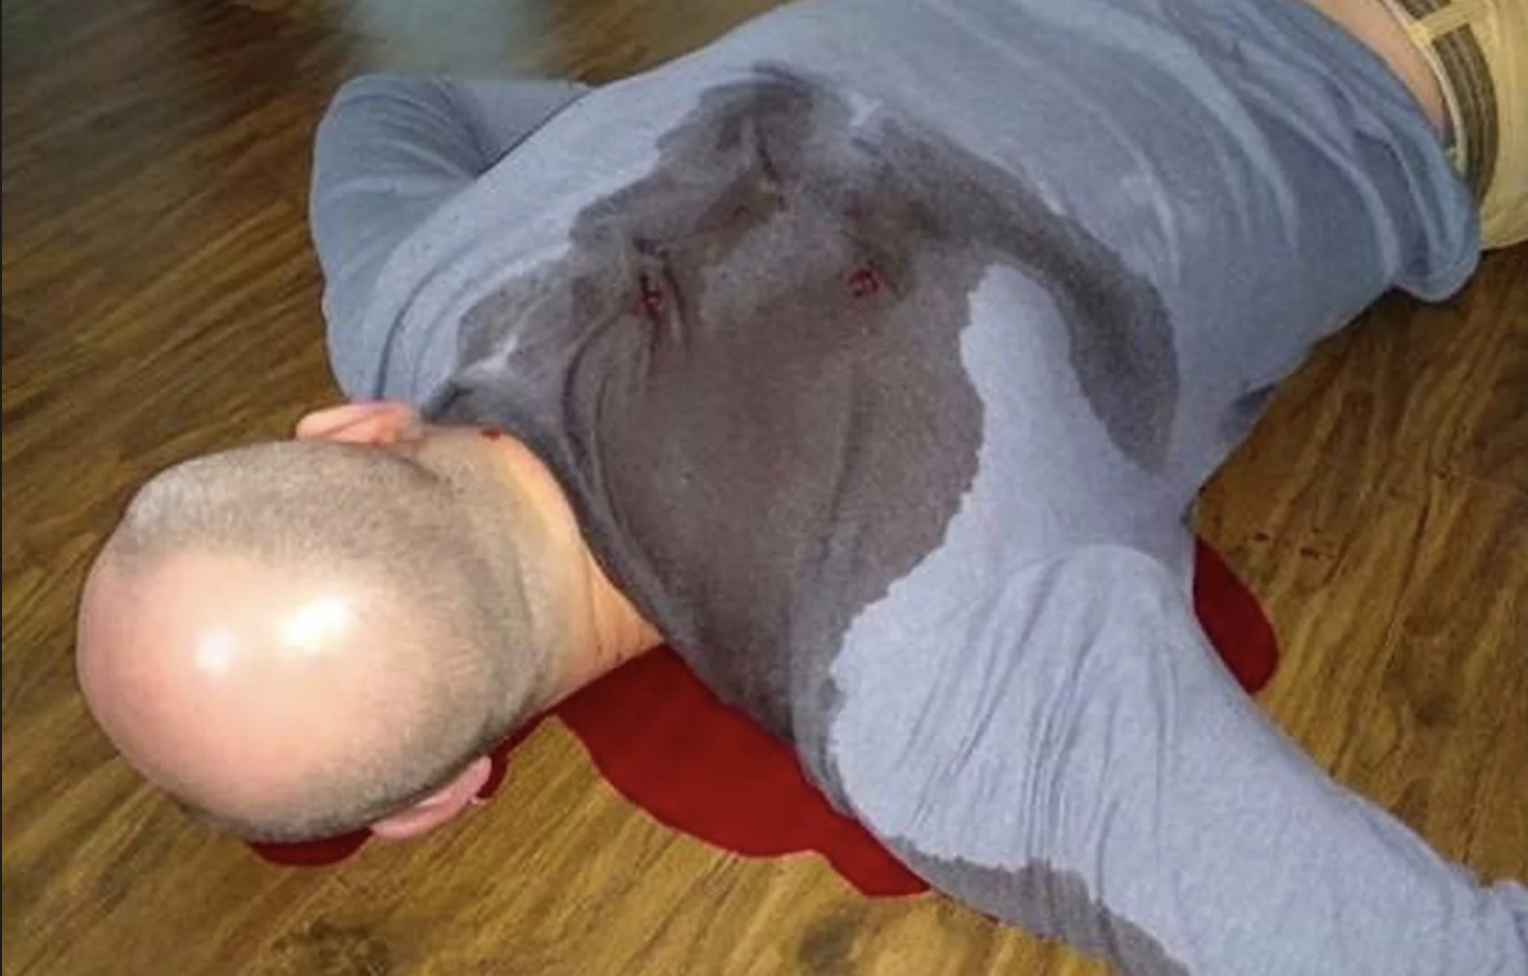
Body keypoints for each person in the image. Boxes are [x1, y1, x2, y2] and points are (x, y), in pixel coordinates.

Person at [74, 0, 1525, 972]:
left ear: (439, 798)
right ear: (355, 434)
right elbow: (391, 108)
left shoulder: (927, 690)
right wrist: (641, 131)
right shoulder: (410, 286)